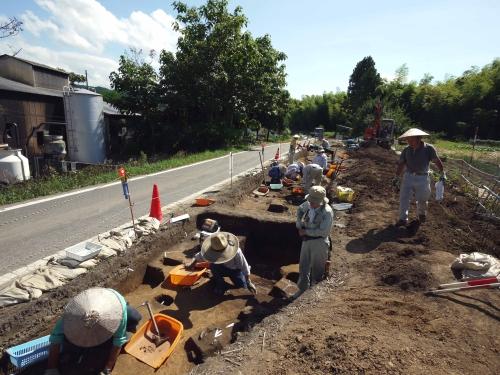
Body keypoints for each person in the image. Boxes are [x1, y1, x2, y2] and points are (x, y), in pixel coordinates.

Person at [45, 288, 142, 375]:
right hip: (92, 304)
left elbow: (118, 342)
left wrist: (107, 369)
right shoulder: (71, 315)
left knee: (134, 317)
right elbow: (55, 338)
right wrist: (51, 368)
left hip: (116, 304)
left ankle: (129, 327)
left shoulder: (117, 316)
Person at [394, 128, 446, 226]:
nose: (409, 142)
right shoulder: (406, 150)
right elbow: (401, 164)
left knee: (422, 199)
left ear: (419, 139)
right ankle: (402, 219)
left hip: (422, 178)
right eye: (408, 140)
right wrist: (396, 177)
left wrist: (442, 172)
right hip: (408, 176)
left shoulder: (429, 149)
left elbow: (436, 160)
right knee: (404, 198)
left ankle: (422, 214)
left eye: (411, 140)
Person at [294, 186, 334, 298]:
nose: (311, 203)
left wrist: (305, 231)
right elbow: (300, 209)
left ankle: (312, 294)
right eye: (310, 200)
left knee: (317, 269)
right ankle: (302, 290)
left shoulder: (327, 212)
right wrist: (298, 222)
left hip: (319, 243)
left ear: (320, 201)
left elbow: (323, 232)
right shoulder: (309, 204)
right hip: (306, 241)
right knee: (303, 266)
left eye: (313, 201)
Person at [187, 232, 257, 295]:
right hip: (220, 267)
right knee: (213, 266)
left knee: (241, 286)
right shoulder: (211, 250)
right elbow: (199, 256)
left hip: (235, 270)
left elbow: (244, 266)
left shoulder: (236, 252)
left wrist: (248, 282)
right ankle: (220, 284)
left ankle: (240, 282)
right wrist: (192, 264)